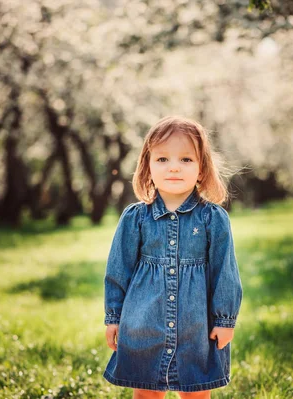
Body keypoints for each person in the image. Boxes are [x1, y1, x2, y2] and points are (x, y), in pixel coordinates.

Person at [103, 116, 243, 399]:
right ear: (148, 166)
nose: (174, 167)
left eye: (186, 160)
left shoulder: (213, 219)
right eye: (163, 159)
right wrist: (113, 317)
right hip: (143, 323)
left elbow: (224, 272)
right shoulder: (135, 218)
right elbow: (118, 270)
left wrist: (225, 320)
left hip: (197, 328)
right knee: (145, 392)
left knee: (196, 392)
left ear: (202, 168)